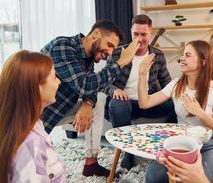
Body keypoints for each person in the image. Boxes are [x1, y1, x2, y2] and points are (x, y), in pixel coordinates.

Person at [41, 20, 139, 177]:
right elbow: (85, 84)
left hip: (60, 109)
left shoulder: (88, 59)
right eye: (110, 45)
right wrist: (121, 62)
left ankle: (91, 163)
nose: (110, 52)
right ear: (96, 34)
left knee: (97, 102)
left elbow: (92, 87)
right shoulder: (63, 46)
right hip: (34, 115)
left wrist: (87, 103)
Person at [139, 40, 213, 182]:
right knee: (153, 177)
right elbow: (145, 103)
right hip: (182, 142)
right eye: (182, 55)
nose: (182, 58)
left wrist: (200, 113)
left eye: (187, 55)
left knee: (208, 179)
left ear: (203, 62)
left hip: (210, 144)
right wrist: (142, 74)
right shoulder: (176, 84)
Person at [102, 14, 176, 170]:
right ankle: (128, 153)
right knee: (116, 105)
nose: (140, 39)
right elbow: (104, 82)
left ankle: (167, 147)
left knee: (179, 106)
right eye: (136, 34)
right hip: (125, 103)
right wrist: (115, 90)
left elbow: (167, 84)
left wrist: (178, 96)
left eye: (144, 34)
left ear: (150, 34)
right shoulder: (117, 53)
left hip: (149, 103)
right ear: (131, 32)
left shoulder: (158, 55)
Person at [0, 50, 65, 182]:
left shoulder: (28, 125)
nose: (59, 82)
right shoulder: (31, 146)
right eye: (54, 77)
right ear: (36, 86)